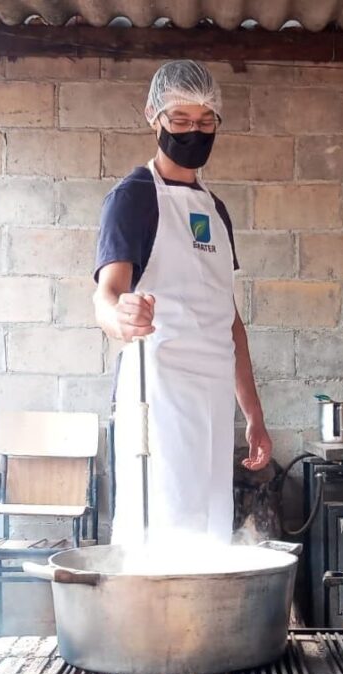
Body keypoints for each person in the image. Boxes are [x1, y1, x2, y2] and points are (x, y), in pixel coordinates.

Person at [93, 60, 271, 546]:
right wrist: (121, 318)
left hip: (213, 394)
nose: (194, 131)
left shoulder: (216, 210)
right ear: (154, 117)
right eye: (181, 120)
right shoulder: (132, 198)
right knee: (164, 532)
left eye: (205, 121)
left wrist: (253, 415)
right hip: (160, 392)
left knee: (211, 531)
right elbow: (106, 296)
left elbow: (230, 320)